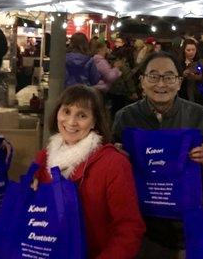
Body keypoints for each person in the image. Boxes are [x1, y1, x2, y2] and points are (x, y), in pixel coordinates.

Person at [113, 51, 203, 258]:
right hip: (141, 228)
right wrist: (115, 157)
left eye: (169, 77)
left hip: (186, 230)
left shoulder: (200, 117)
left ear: (180, 82)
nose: (161, 83)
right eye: (153, 76)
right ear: (142, 81)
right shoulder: (125, 117)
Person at [34, 85, 146, 258]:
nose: (71, 122)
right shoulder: (44, 157)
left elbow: (129, 228)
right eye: (66, 111)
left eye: (82, 115)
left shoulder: (114, 163)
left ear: (94, 121)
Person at [179, 38, 203, 109]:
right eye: (188, 50)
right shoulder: (180, 63)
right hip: (183, 98)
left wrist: (200, 78)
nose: (191, 52)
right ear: (184, 50)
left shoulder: (201, 62)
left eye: (193, 50)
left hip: (199, 97)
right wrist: (183, 75)